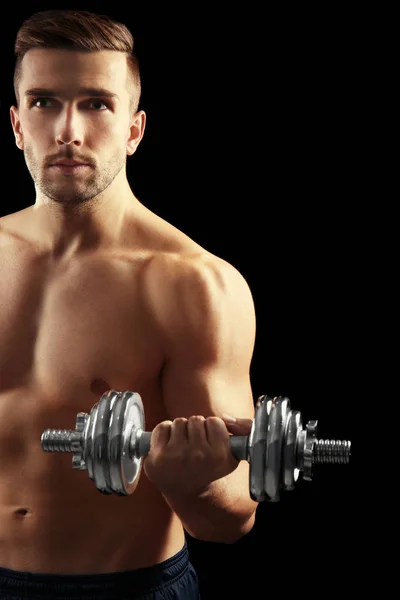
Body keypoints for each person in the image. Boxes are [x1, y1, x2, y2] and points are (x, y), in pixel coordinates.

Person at [0, 9, 258, 599]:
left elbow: (229, 520)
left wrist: (190, 484)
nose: (68, 130)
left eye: (96, 103)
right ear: (17, 124)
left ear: (135, 129)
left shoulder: (194, 286)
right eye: (43, 102)